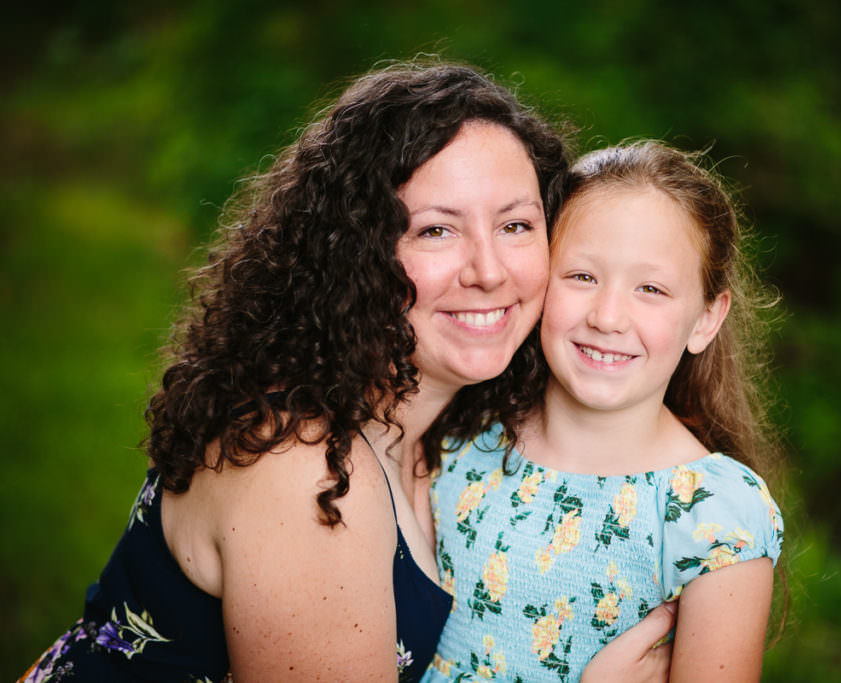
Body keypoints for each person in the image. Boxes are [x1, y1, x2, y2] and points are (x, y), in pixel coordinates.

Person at [20, 62, 676, 683]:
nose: (488, 270)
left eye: (515, 224)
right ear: (356, 253)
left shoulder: (443, 434)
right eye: (435, 232)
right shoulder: (305, 468)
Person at [424, 140, 785, 682]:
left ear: (706, 320)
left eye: (651, 288)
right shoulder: (458, 441)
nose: (609, 316)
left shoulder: (712, 516)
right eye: (583, 277)